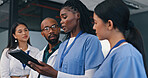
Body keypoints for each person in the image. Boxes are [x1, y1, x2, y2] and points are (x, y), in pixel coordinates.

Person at [28, 0, 104, 78]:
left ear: (77, 15)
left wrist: (55, 74)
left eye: (64, 17)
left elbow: (91, 77)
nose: (61, 22)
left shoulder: (90, 40)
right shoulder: (63, 45)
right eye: (61, 19)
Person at [92, 0, 147, 77]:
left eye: (95, 23)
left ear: (109, 24)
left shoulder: (126, 55)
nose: (94, 27)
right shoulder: (117, 54)